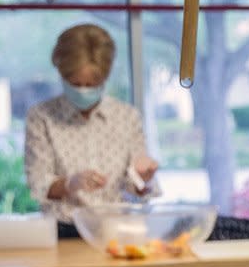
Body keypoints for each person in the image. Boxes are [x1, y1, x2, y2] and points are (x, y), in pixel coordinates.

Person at [24, 24, 159, 237]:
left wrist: (144, 178)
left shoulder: (127, 117)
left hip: (118, 230)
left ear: (105, 77)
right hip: (63, 232)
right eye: (76, 83)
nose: (84, 91)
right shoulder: (42, 118)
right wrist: (70, 184)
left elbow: (138, 188)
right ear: (61, 73)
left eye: (93, 83)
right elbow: (38, 184)